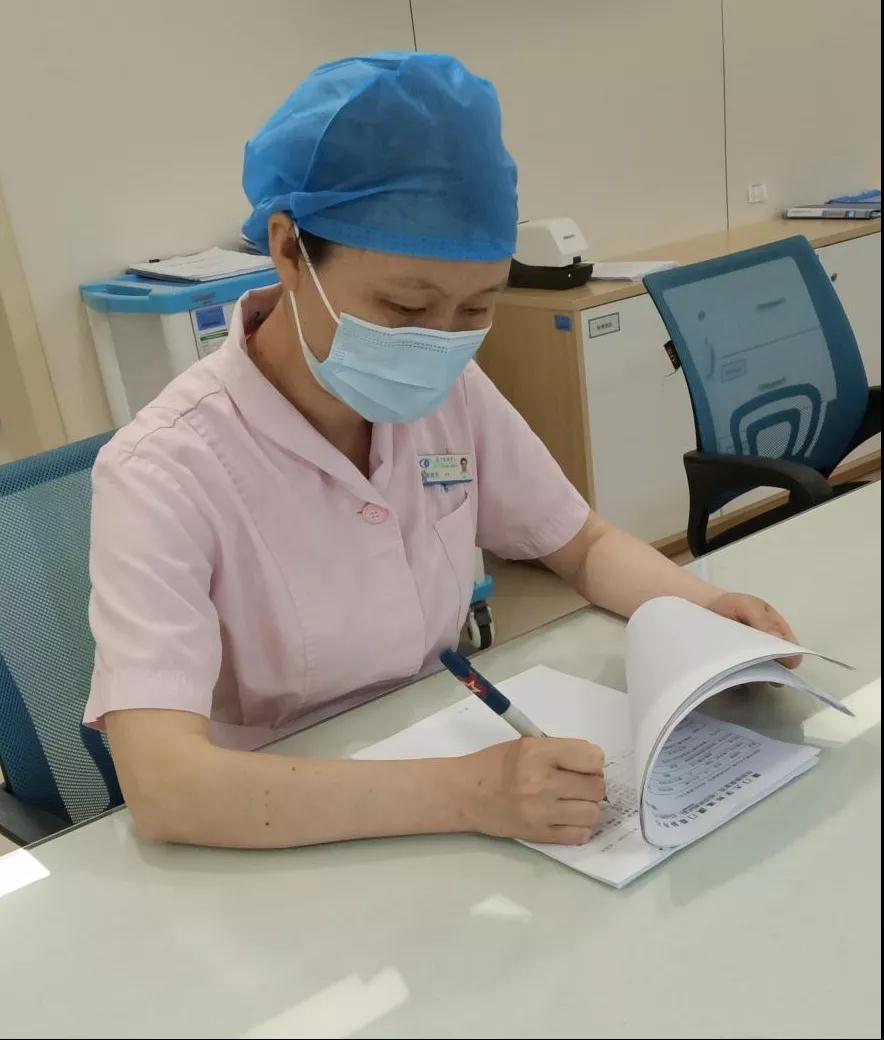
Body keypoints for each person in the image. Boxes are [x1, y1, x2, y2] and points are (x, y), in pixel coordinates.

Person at [85, 53, 799, 850]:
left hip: (440, 761)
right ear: (288, 250)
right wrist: (467, 794)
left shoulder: (448, 392)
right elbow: (166, 787)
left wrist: (704, 612)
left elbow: (581, 544)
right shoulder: (162, 473)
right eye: (405, 306)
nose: (438, 343)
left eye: (475, 309)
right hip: (278, 823)